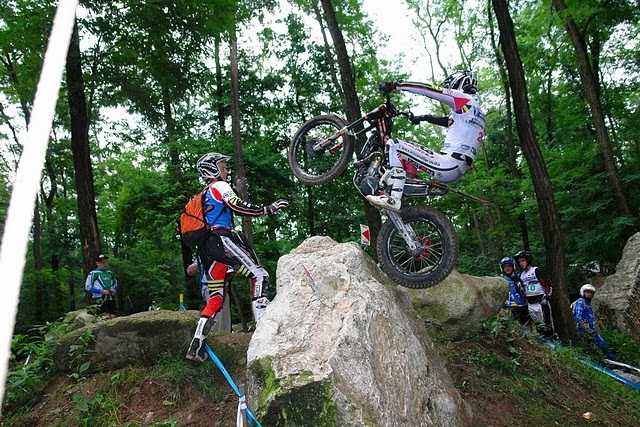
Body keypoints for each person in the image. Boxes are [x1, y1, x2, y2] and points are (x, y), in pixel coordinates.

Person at [186, 152, 288, 362]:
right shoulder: (219, 186)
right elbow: (236, 205)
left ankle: (196, 345)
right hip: (223, 240)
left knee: (215, 297)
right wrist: (266, 209)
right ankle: (263, 332)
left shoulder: (204, 193)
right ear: (212, 170)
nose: (227, 170)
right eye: (222, 166)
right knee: (259, 275)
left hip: (208, 251)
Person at [366, 70, 485, 211]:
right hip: (456, 165)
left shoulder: (464, 99)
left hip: (448, 163)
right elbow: (448, 121)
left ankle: (394, 198)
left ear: (459, 83)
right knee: (404, 151)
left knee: (394, 145)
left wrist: (396, 86)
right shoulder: (474, 112)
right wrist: (422, 118)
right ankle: (394, 186)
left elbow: (428, 90)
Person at [515, 250, 554, 337]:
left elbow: (547, 284)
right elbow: (523, 290)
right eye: (519, 262)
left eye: (523, 260)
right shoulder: (521, 275)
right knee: (538, 325)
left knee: (546, 324)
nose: (521, 263)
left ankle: (552, 340)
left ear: (528, 260)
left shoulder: (536, 270)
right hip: (530, 302)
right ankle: (544, 342)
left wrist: (547, 296)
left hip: (541, 300)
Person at [572, 284, 615, 359]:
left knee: (603, 345)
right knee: (593, 347)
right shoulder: (580, 302)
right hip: (582, 330)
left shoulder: (589, 305)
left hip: (592, 331)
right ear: (583, 292)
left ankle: (612, 361)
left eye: (591, 293)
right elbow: (577, 317)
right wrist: (586, 328)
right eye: (587, 292)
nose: (590, 294)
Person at [499, 257, 529, 325]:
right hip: (508, 308)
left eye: (509, 266)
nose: (507, 268)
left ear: (513, 266)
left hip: (523, 306)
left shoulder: (520, 276)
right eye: (505, 266)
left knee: (526, 327)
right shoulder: (500, 280)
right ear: (502, 268)